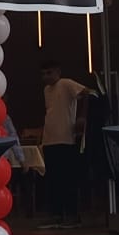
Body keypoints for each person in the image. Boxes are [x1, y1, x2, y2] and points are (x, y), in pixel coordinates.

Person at [41, 63, 88, 226]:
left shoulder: (66, 83)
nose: (46, 77)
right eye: (43, 74)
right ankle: (57, 213)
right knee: (53, 179)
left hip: (66, 138)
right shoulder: (46, 90)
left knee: (67, 178)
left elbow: (86, 93)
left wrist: (82, 116)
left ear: (58, 72)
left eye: (49, 72)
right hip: (49, 138)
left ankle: (72, 214)